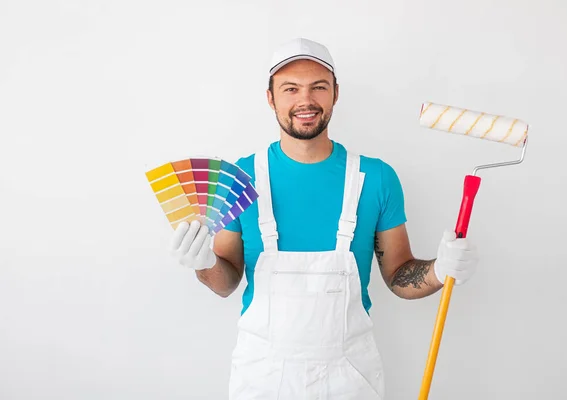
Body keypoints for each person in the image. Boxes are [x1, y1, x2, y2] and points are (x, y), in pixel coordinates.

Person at [169, 38, 478, 399]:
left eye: (319, 87)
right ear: (270, 98)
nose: (306, 100)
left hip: (350, 381)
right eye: (291, 89)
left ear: (335, 93)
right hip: (262, 380)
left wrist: (441, 270)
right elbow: (225, 282)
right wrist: (203, 264)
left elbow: (398, 276)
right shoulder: (241, 179)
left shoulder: (375, 179)